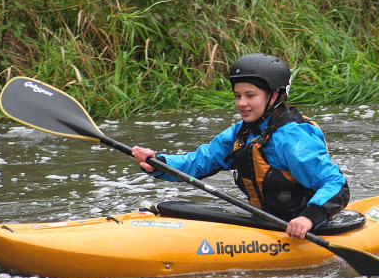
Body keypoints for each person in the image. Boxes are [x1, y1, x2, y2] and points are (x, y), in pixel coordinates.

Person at [132, 53, 350, 239]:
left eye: (250, 95)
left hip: (304, 226)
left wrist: (308, 218)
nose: (241, 103)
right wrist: (159, 162)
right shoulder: (242, 132)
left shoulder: (293, 136)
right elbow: (202, 161)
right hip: (264, 221)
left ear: (274, 96)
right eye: (238, 96)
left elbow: (335, 184)